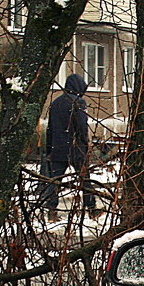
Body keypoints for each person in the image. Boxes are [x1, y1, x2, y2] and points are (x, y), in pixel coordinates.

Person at [42, 73, 91, 211]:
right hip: (76, 149)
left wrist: (49, 149)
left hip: (58, 148)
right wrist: (84, 145)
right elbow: (82, 127)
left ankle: (51, 210)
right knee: (85, 180)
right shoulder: (78, 102)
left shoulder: (55, 103)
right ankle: (91, 207)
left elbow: (50, 128)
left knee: (54, 181)